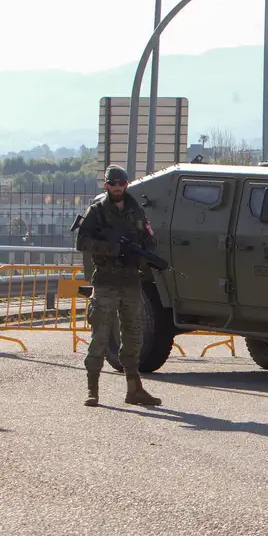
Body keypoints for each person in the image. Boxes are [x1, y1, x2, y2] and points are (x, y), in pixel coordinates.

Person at [75, 165, 162, 407]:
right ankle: (92, 390)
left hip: (132, 282)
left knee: (134, 334)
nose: (116, 188)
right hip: (106, 281)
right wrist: (115, 250)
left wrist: (140, 253)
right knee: (100, 335)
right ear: (106, 185)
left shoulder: (136, 210)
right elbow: (82, 241)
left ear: (126, 184)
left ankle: (134, 389)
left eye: (120, 183)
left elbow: (150, 238)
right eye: (112, 184)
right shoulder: (96, 212)